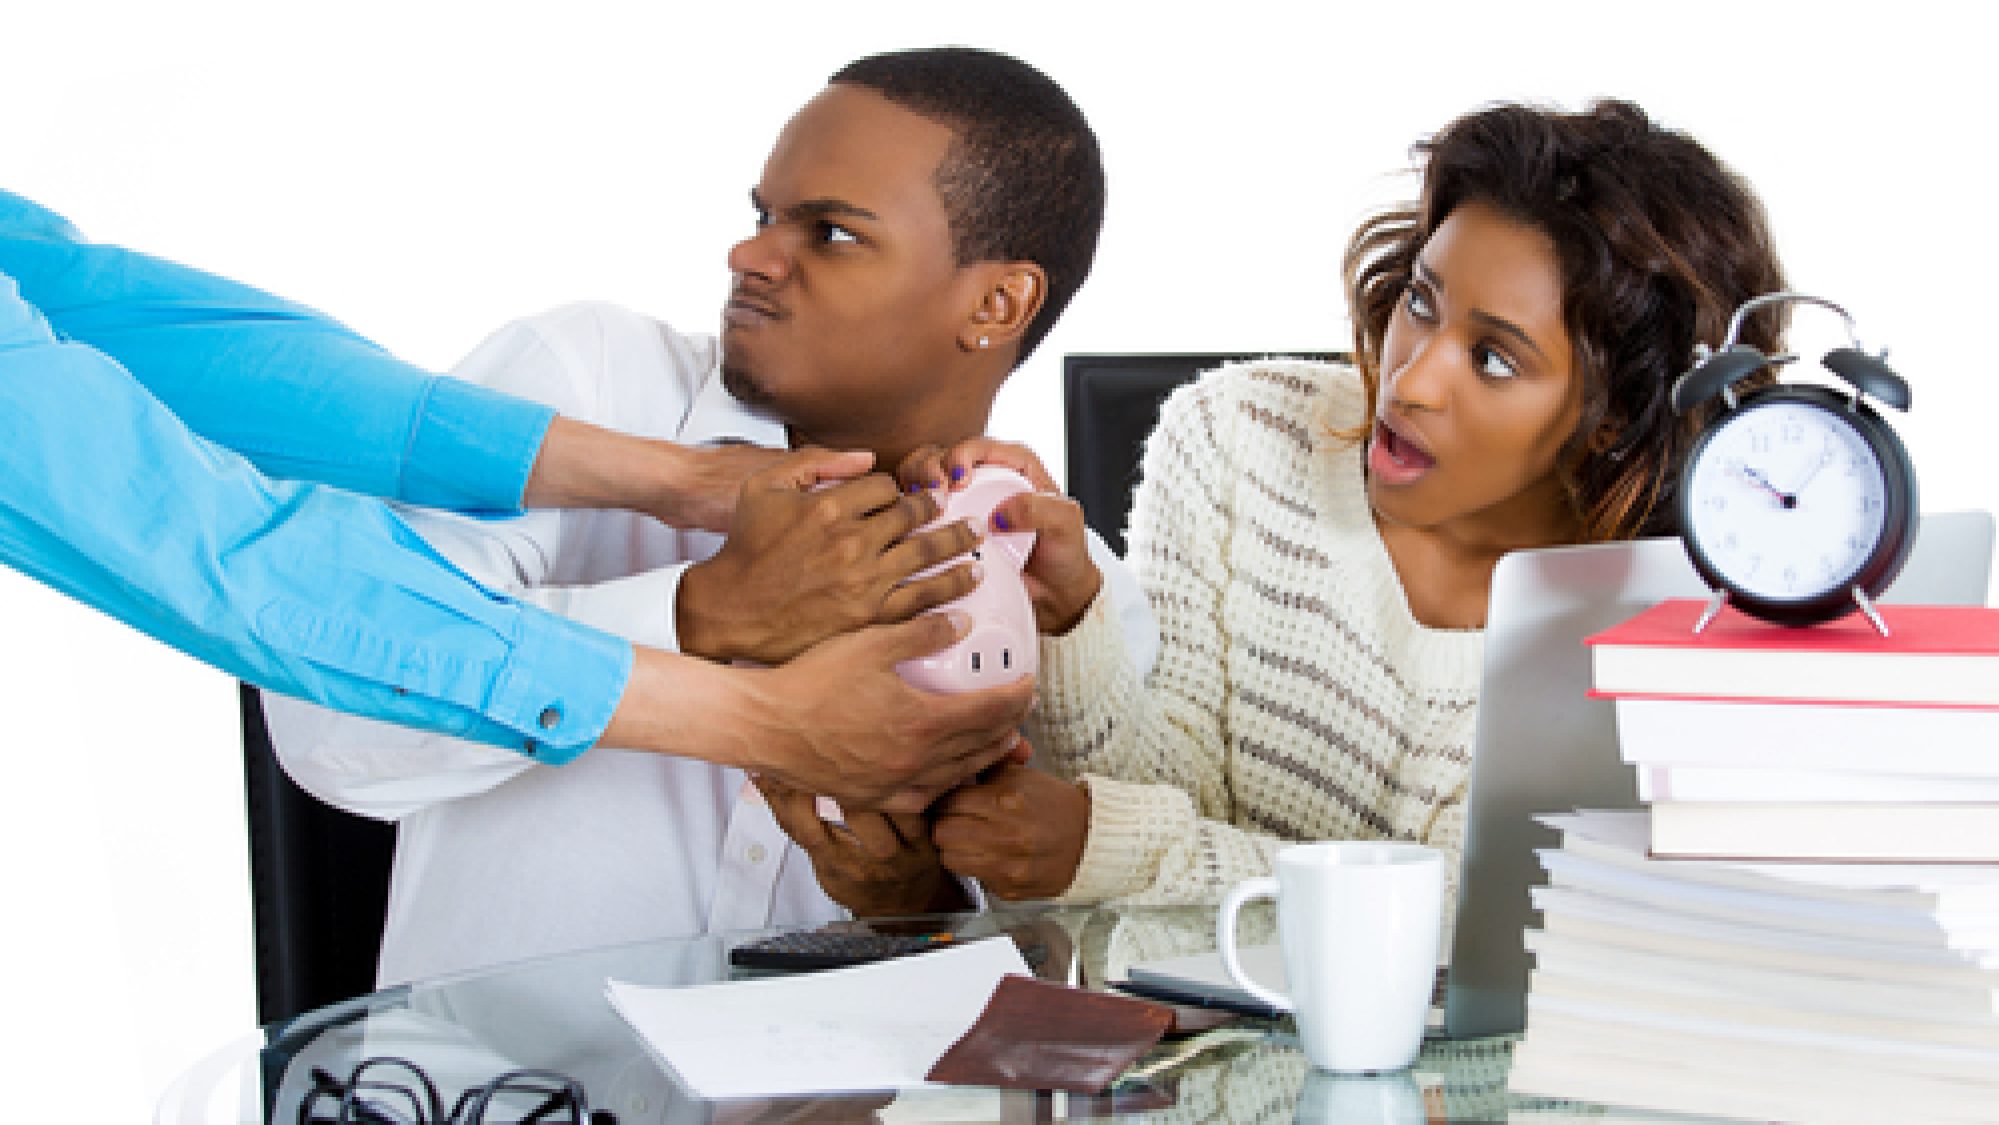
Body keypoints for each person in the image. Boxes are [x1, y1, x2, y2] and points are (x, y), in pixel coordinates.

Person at [266, 47, 1155, 985]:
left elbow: (1101, 988)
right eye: (764, 216)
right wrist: (703, 612)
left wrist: (909, 899)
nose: (751, 256)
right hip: (504, 1092)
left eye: (832, 234)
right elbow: (325, 728)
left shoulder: (1068, 593)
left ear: (996, 301)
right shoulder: (588, 386)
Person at [910, 99, 1789, 912]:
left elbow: (1468, 915)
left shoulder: (1650, 628)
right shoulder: (1235, 435)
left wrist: (1110, 851)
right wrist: (1073, 617)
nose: (1412, 378)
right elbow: (1167, 787)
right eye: (1421, 302)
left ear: (1613, 421)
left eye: (1493, 360)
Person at [0, 193, 1030, 814]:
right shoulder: (583, 360)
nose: (750, 256)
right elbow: (220, 550)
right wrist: (747, 704)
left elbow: (113, 318)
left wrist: (676, 480)